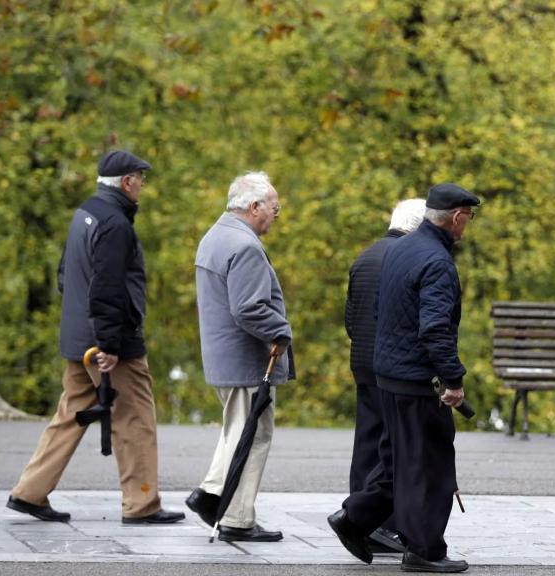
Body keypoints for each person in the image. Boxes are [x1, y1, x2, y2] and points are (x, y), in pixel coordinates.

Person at [7, 150, 185, 525]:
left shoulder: (84, 213)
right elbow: (107, 288)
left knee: (70, 414)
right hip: (108, 344)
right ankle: (141, 504)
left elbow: (64, 275)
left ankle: (29, 492)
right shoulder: (116, 225)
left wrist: (85, 330)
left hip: (78, 337)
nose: (143, 185)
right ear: (126, 182)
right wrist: (109, 344)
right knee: (135, 418)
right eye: (140, 178)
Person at [328, 183, 479, 573]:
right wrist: (453, 380)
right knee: (431, 465)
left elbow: (379, 312)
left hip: (388, 377)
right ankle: (424, 550)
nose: (469, 225)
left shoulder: (399, 250)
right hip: (416, 381)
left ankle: (354, 519)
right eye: (470, 217)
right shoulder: (437, 262)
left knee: (397, 462)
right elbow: (435, 329)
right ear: (457, 217)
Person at [184, 172, 294, 542]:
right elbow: (248, 308)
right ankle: (236, 517)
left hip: (224, 357)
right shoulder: (244, 245)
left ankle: (211, 493)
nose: (277, 214)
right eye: (274, 207)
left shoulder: (215, 236)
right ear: (254, 206)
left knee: (237, 431)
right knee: (253, 434)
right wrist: (281, 331)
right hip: (246, 360)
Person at [344, 198, 427, 554]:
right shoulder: (406, 259)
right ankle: (382, 525)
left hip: (362, 361)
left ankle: (358, 519)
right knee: (394, 449)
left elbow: (351, 316)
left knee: (366, 444)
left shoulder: (365, 256)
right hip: (391, 368)